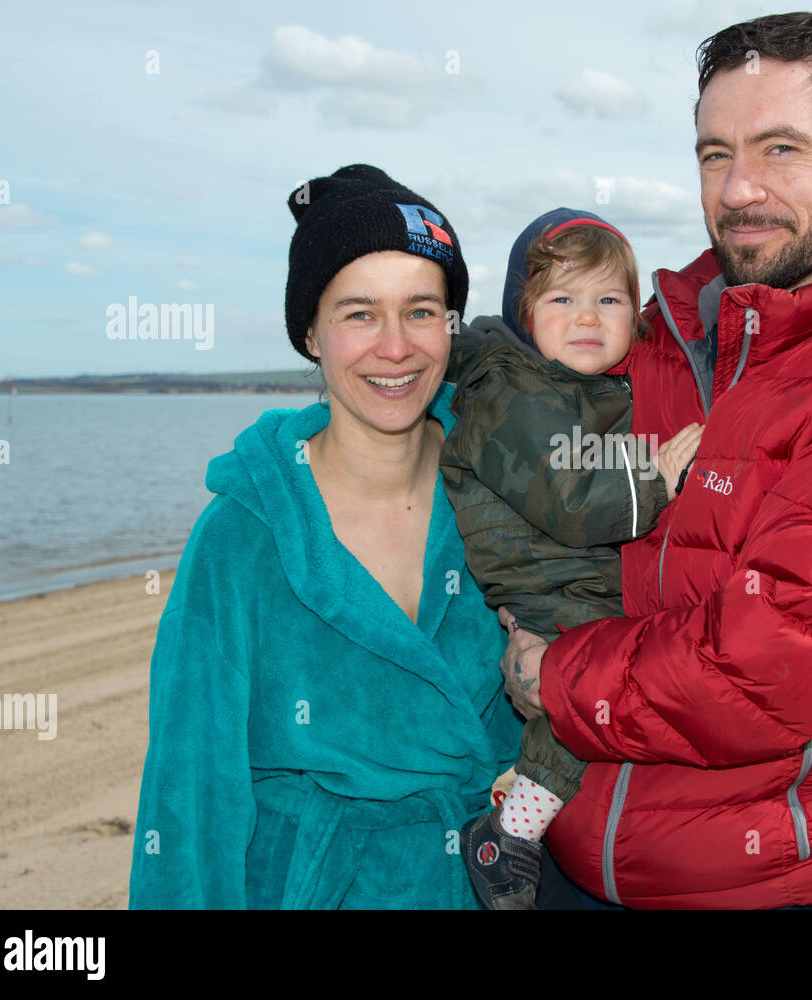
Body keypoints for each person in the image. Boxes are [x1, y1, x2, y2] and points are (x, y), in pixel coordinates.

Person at [496, 12, 812, 908]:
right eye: (714, 154)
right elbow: (518, 429)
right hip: (567, 864)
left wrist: (554, 681)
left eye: (781, 149)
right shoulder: (660, 330)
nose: (737, 189)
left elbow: (764, 667)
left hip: (756, 885)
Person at [128, 164, 522, 909]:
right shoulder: (243, 533)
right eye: (359, 314)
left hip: (483, 881)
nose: (395, 347)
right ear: (310, 332)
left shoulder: (507, 492)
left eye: (421, 311)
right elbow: (190, 797)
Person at [438, 209, 703, 908]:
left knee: (620, 676)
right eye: (562, 298)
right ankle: (510, 833)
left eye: (609, 299)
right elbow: (573, 499)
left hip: (574, 573)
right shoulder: (508, 390)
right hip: (544, 579)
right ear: (523, 312)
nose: (587, 316)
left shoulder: (578, 384)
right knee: (587, 686)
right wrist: (656, 480)